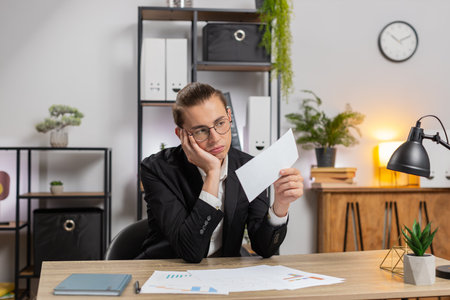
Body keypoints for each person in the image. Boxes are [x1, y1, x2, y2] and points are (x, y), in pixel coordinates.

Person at [137, 82, 303, 263]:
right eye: (201, 131)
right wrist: (212, 173)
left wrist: (280, 205)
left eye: (220, 123)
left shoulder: (247, 166)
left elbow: (264, 248)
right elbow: (190, 252)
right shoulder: (157, 169)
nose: (215, 139)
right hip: (164, 272)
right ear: (181, 135)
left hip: (222, 275)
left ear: (229, 116)